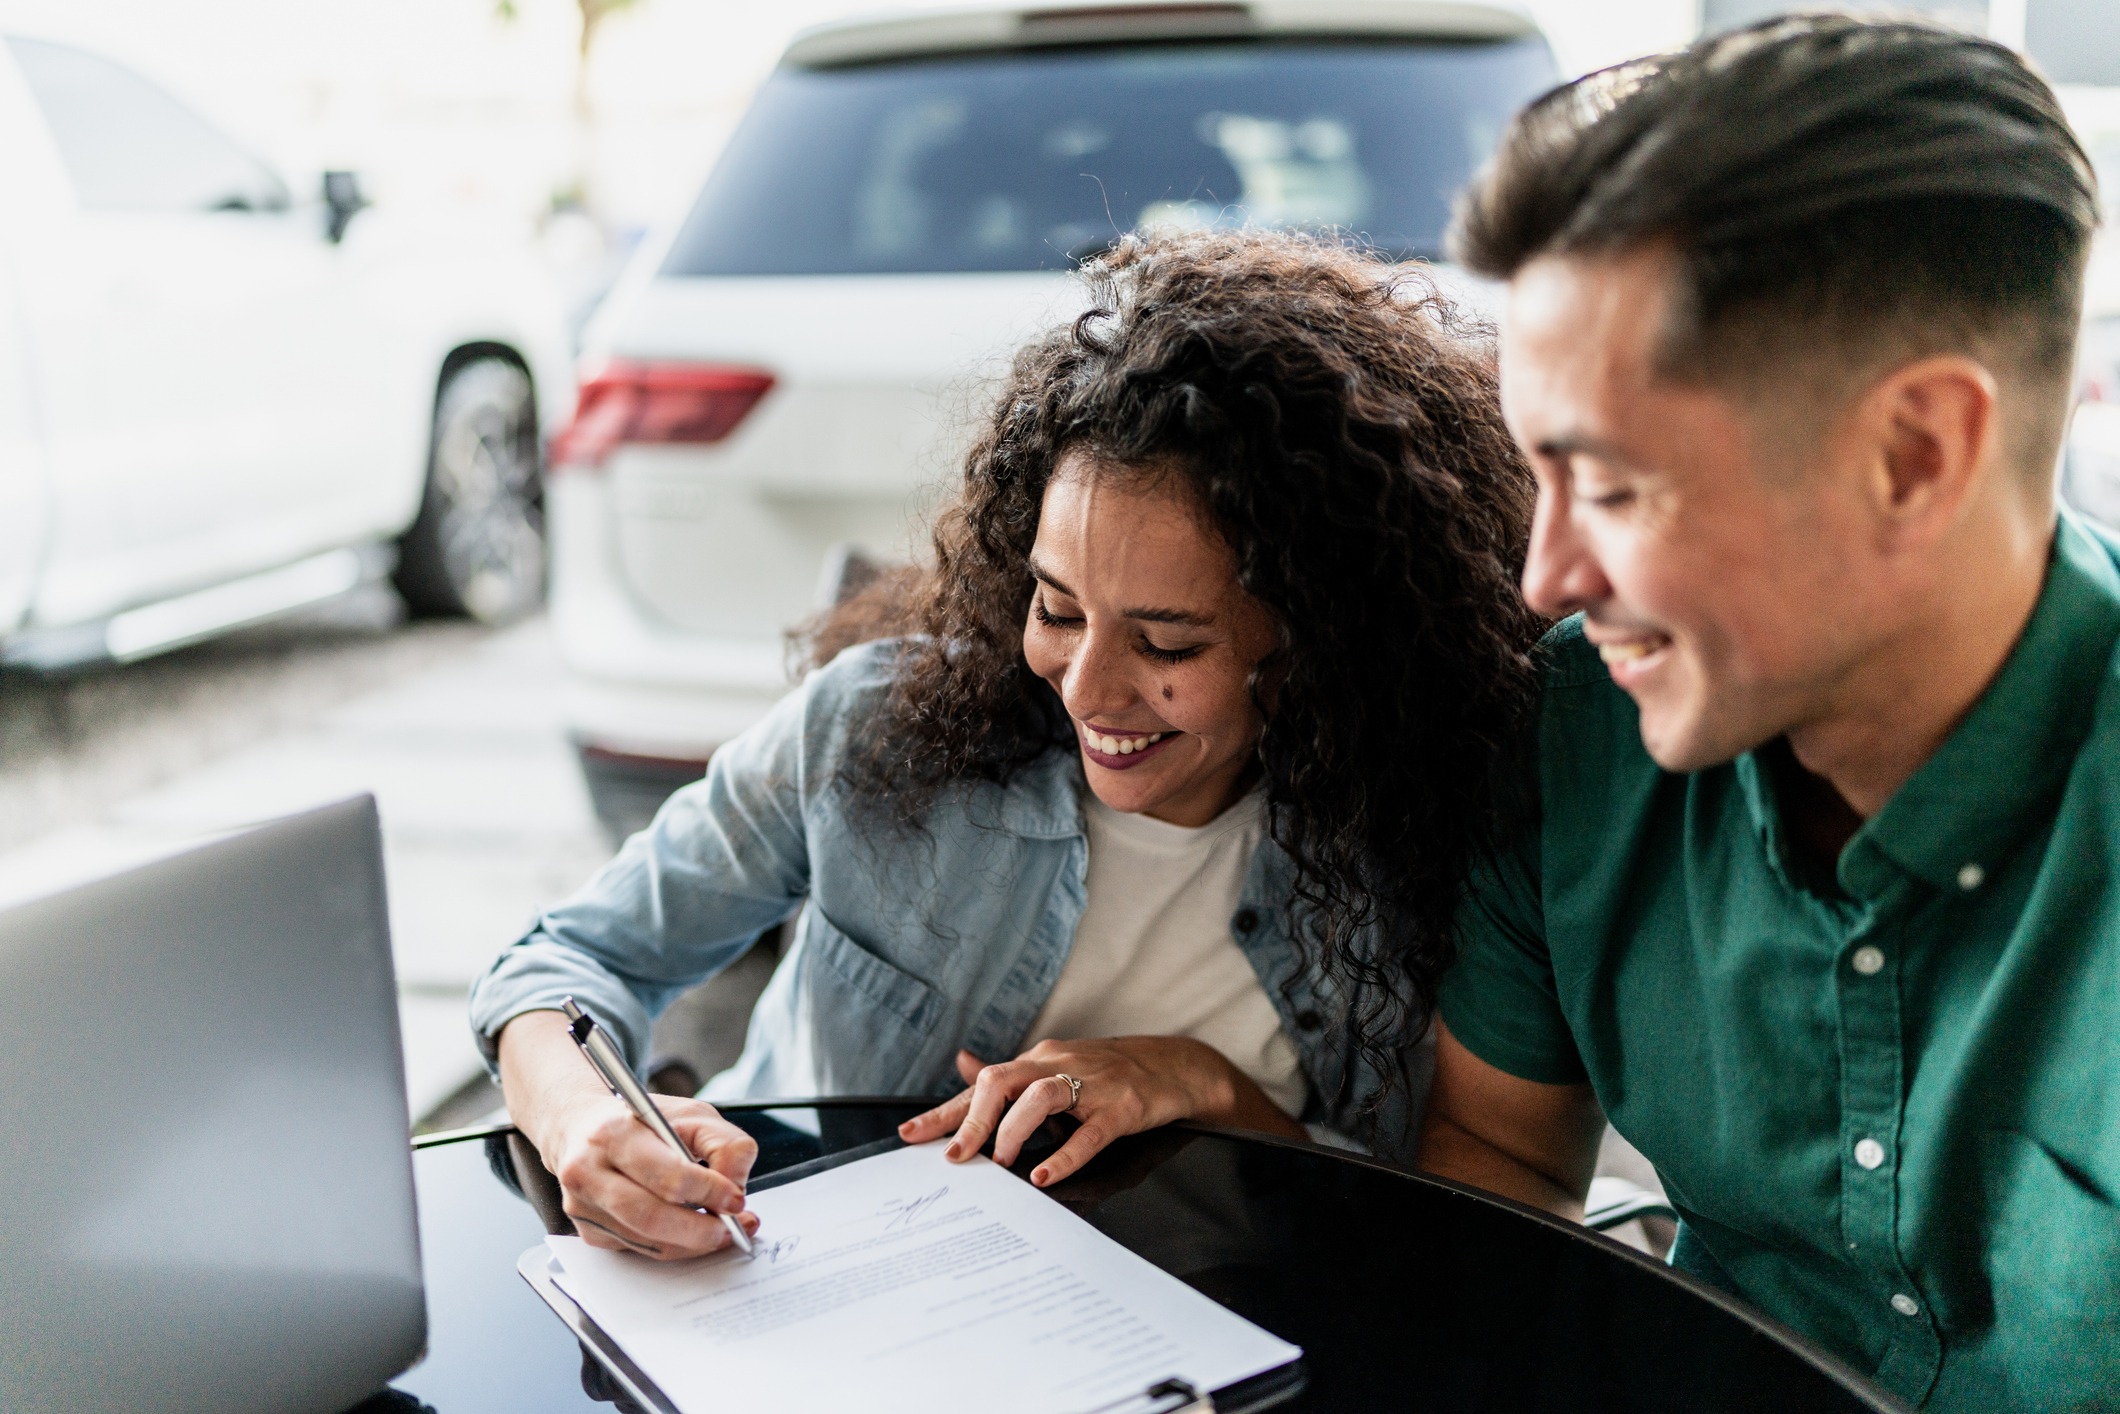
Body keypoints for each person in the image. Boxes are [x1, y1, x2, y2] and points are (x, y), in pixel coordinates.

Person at [471, 228, 1542, 1262]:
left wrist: (1210, 1091)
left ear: (1319, 632)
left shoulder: (1412, 825)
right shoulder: (872, 729)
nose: (1086, 687)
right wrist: (582, 1122)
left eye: (1166, 641)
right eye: (1057, 607)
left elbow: (1427, 1217)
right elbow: (565, 961)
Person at [1415, 15, 2117, 1410]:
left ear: (1915, 455)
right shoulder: (1572, 731)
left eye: (1611, 486)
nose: (1546, 573)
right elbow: (1494, 1170)